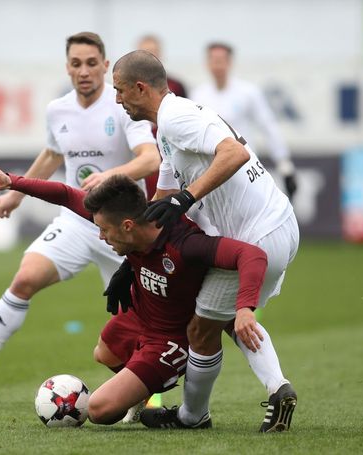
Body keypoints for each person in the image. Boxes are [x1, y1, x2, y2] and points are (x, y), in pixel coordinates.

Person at [0, 32, 160, 393]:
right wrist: (16, 193)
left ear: (105, 66)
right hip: (75, 220)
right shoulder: (58, 110)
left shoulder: (123, 106)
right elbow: (53, 154)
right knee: (25, 279)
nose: (84, 71)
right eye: (76, 64)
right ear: (68, 68)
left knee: (137, 321)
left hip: (121, 229)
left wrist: (111, 176)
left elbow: (150, 158)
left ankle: (152, 396)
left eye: (91, 63)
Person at [0, 163, 269, 426]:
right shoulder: (126, 224)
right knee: (104, 352)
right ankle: (142, 388)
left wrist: (245, 308)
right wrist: (12, 182)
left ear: (127, 226)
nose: (101, 237)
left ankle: (159, 381)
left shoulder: (185, 244)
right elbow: (63, 193)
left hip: (170, 338)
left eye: (104, 231)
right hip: (141, 315)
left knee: (99, 411)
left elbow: (251, 255)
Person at [111, 50, 299, 432]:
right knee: (228, 319)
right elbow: (161, 202)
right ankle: (278, 388)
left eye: (119, 91)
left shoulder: (176, 117)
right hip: (276, 226)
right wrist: (130, 258)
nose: (117, 100)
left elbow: (235, 152)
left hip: (258, 234)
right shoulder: (167, 128)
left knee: (200, 327)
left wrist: (189, 196)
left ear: (140, 88)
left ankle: (192, 416)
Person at [191, 42, 297, 200]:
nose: (218, 65)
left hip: (245, 167)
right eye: (214, 60)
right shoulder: (199, 95)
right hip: (212, 171)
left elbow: (268, 126)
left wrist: (285, 165)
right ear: (207, 63)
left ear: (230, 62)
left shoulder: (248, 93)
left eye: (221, 60)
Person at [136, 35, 188, 201]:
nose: (150, 58)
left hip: (170, 153)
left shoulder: (176, 86)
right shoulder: (127, 87)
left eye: (154, 53)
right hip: (142, 154)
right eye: (145, 53)